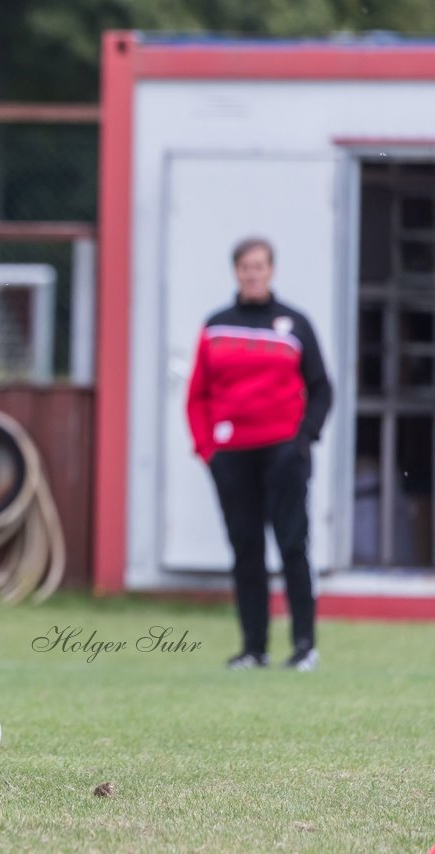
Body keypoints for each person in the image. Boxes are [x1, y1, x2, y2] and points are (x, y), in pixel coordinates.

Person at [186, 236, 333, 673]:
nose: (253, 273)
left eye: (260, 266)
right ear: (237, 272)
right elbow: (197, 397)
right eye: (245, 267)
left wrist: (304, 440)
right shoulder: (216, 325)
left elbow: (322, 388)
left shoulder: (295, 323)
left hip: (285, 454)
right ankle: (254, 648)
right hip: (232, 457)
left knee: (292, 544)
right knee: (246, 548)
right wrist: (208, 451)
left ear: (271, 270)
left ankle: (304, 646)